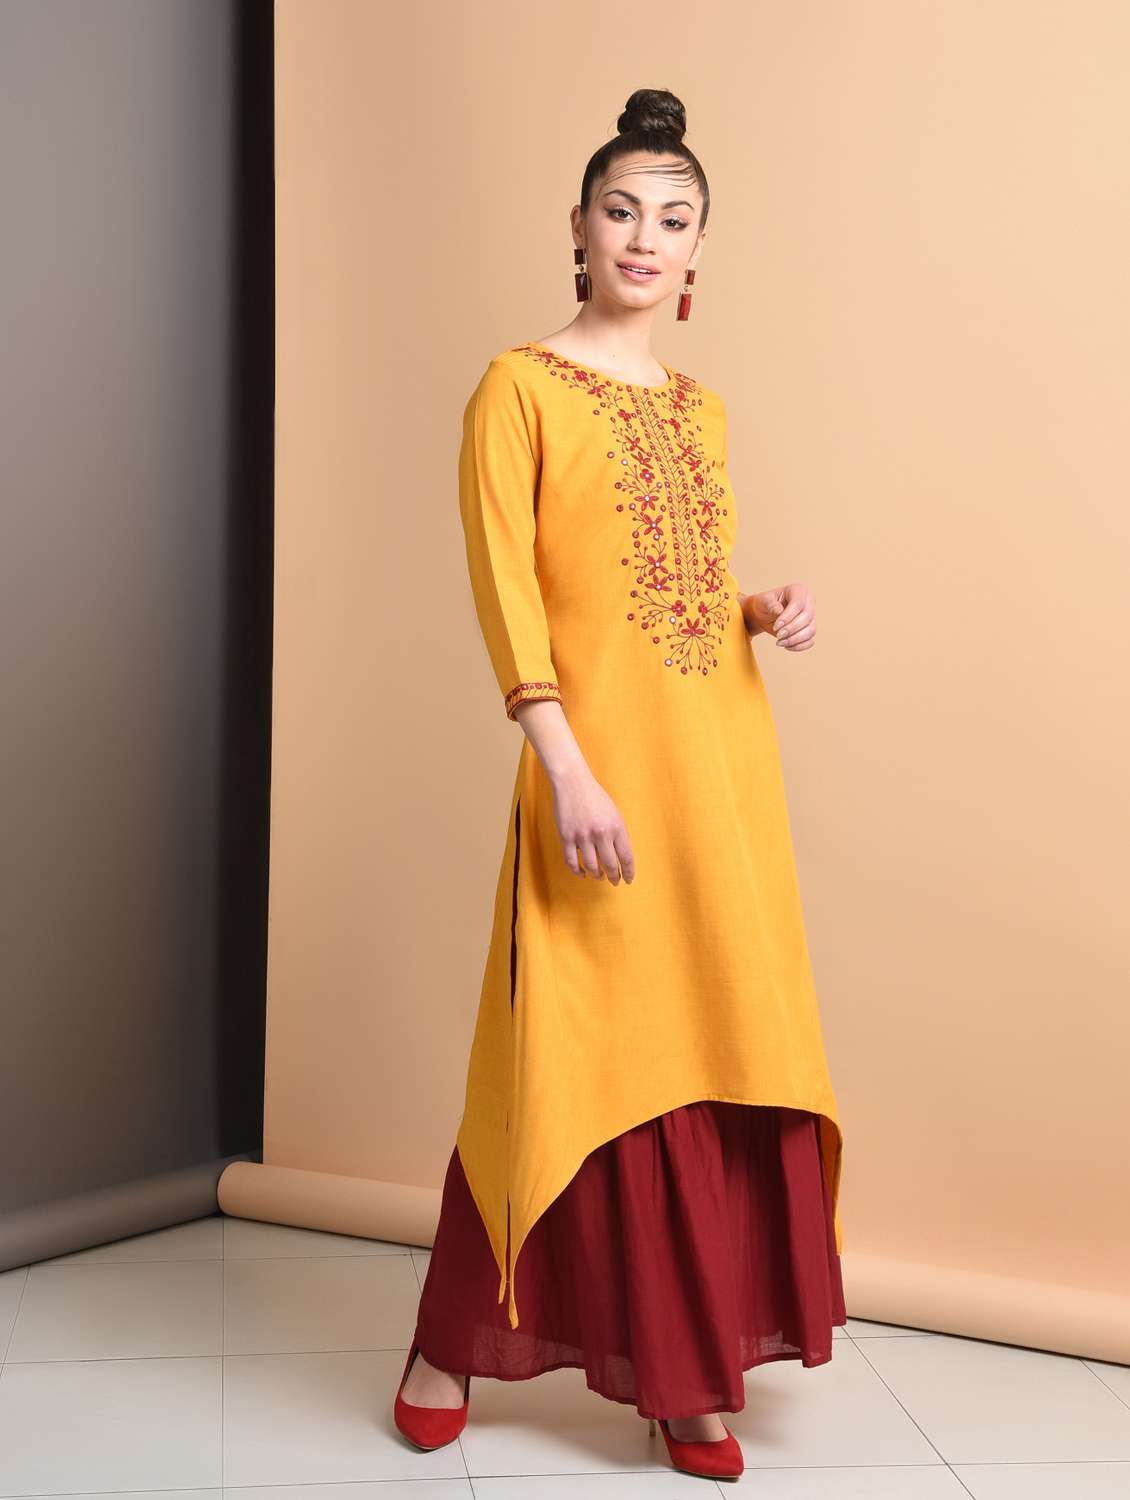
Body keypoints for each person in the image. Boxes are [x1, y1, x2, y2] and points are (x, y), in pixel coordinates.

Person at [393, 86, 846, 1481]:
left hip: (719, 772)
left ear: (698, 251)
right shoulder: (517, 388)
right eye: (622, 211)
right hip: (593, 777)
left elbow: (675, 580)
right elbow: (512, 590)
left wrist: (754, 604)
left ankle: (683, 1376)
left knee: (707, 1042)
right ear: (579, 229)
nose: (645, 237)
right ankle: (444, 1344)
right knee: (574, 1051)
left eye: (673, 218)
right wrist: (564, 769)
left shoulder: (701, 412)